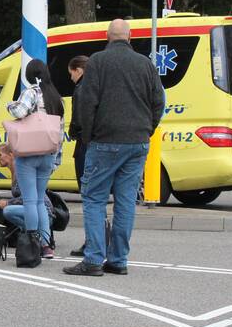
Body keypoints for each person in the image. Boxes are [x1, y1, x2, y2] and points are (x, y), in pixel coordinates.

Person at [64, 19, 165, 277]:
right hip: (138, 142)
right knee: (126, 201)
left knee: (95, 198)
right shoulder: (146, 64)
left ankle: (94, 259)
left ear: (107, 36)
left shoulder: (97, 61)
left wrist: (87, 135)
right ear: (130, 38)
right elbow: (158, 101)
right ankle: (118, 259)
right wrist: (147, 128)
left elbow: (87, 101)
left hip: (105, 141)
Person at [5, 59, 64, 259]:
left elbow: (20, 111)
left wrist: (9, 105)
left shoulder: (31, 92)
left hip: (28, 154)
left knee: (29, 200)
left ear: (29, 75)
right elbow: (60, 131)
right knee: (39, 200)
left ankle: (32, 242)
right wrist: (56, 158)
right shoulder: (56, 97)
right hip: (48, 154)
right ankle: (47, 245)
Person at [0, 143, 55, 247]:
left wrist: (8, 203)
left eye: (0, 155)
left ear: (11, 154)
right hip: (36, 210)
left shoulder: (21, 173)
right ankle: (34, 235)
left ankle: (35, 235)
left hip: (44, 213)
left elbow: (29, 197)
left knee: (8, 211)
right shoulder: (15, 173)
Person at [67, 54, 90, 258]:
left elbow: (80, 119)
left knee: (88, 194)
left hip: (85, 144)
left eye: (71, 73)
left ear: (79, 70)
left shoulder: (82, 89)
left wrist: (73, 131)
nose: (71, 78)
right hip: (98, 145)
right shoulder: (100, 85)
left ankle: (90, 242)